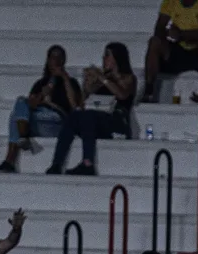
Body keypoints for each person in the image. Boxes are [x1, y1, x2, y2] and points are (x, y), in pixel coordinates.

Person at [47, 42, 136, 176]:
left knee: (88, 116)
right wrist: (87, 86)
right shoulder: (102, 81)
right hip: (97, 121)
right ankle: (56, 164)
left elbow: (122, 94)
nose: (103, 59)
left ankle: (88, 163)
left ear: (117, 58)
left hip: (117, 122)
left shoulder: (129, 78)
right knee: (74, 117)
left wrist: (103, 78)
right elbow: (81, 105)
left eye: (107, 56)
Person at [0, 45, 82, 173]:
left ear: (64, 61)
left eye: (59, 57)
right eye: (53, 57)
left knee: (16, 118)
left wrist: (64, 78)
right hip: (38, 120)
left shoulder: (72, 83)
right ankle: (17, 147)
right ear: (48, 60)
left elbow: (74, 107)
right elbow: (30, 105)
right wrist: (42, 95)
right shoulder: (40, 83)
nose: (56, 60)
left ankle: (11, 157)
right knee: (20, 103)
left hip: (57, 121)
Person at [141, 0, 198, 105]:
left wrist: (181, 35)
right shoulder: (170, 2)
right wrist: (169, 33)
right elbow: (159, 28)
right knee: (154, 42)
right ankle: (148, 92)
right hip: (180, 50)